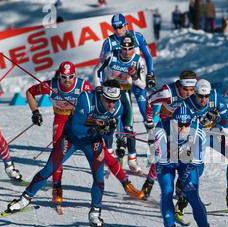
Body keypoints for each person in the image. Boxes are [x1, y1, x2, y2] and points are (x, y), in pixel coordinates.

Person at [7, 80, 129, 227]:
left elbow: (109, 133)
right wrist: (99, 129)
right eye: (108, 100)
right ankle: (24, 199)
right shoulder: (86, 99)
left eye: (114, 101)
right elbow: (77, 129)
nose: (111, 105)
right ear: (101, 95)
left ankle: (95, 213)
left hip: (92, 142)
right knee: (49, 169)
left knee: (98, 176)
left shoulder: (117, 109)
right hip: (71, 138)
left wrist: (108, 130)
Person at [28, 61, 142, 205]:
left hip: (86, 121)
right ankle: (57, 186)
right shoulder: (51, 85)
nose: (67, 80)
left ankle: (126, 184)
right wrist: (35, 112)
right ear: (59, 76)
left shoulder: (83, 86)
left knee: (105, 155)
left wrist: (102, 123)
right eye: (64, 76)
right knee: (58, 155)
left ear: (74, 76)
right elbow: (30, 92)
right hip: (62, 120)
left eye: (70, 76)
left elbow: (96, 99)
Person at [154, 105, 223, 227]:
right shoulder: (161, 129)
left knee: (192, 195)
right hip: (167, 163)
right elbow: (162, 160)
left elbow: (197, 160)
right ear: (174, 122)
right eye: (180, 125)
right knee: (167, 192)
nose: (183, 128)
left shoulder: (198, 131)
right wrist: (176, 153)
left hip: (187, 162)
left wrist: (184, 154)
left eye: (187, 124)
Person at [185, 79, 228, 211]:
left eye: (206, 96)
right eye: (200, 96)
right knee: (198, 168)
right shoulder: (187, 103)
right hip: (197, 134)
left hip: (214, 132)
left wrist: (217, 118)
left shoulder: (217, 98)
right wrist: (195, 123)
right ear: (194, 94)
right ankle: (183, 198)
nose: (204, 99)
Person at [94, 33, 147, 173]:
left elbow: (142, 85)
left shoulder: (138, 61)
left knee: (129, 127)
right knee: (109, 125)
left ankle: (132, 161)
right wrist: (98, 86)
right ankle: (110, 158)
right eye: (124, 48)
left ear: (134, 49)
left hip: (124, 93)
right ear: (121, 48)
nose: (127, 52)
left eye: (130, 49)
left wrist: (135, 76)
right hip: (109, 93)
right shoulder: (111, 55)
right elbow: (96, 70)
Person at [141, 70, 198, 200]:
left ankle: (180, 188)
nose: (189, 93)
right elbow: (149, 101)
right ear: (179, 86)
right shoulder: (167, 93)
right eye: (186, 89)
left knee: (189, 152)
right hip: (168, 121)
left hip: (185, 123)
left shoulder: (196, 92)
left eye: (192, 89)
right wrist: (149, 122)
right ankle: (148, 184)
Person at [98, 14, 155, 124]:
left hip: (135, 77)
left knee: (141, 97)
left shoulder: (137, 37)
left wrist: (150, 74)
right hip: (118, 79)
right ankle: (123, 133)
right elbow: (101, 64)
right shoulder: (109, 42)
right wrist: (101, 84)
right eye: (115, 27)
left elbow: (148, 56)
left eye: (120, 27)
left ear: (126, 25)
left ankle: (149, 127)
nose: (118, 30)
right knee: (120, 108)